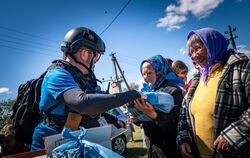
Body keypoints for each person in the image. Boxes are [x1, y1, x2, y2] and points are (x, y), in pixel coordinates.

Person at [31, 27, 146, 151]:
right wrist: (132, 94)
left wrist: (113, 119)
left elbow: (92, 108)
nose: (96, 59)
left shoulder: (84, 79)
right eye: (96, 54)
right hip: (50, 144)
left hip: (75, 141)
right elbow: (83, 103)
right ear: (84, 53)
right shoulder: (57, 74)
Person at [177, 27, 250, 158]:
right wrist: (184, 139)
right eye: (191, 53)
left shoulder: (241, 67)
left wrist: (233, 135)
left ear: (212, 44)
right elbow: (184, 113)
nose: (194, 56)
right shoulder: (197, 79)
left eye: (198, 48)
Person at [131, 55, 185, 158]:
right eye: (144, 74)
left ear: (159, 70)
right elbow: (146, 121)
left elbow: (178, 122)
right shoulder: (147, 92)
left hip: (168, 149)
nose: (146, 77)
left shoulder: (173, 90)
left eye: (149, 73)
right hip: (153, 148)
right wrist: (137, 119)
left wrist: (154, 114)